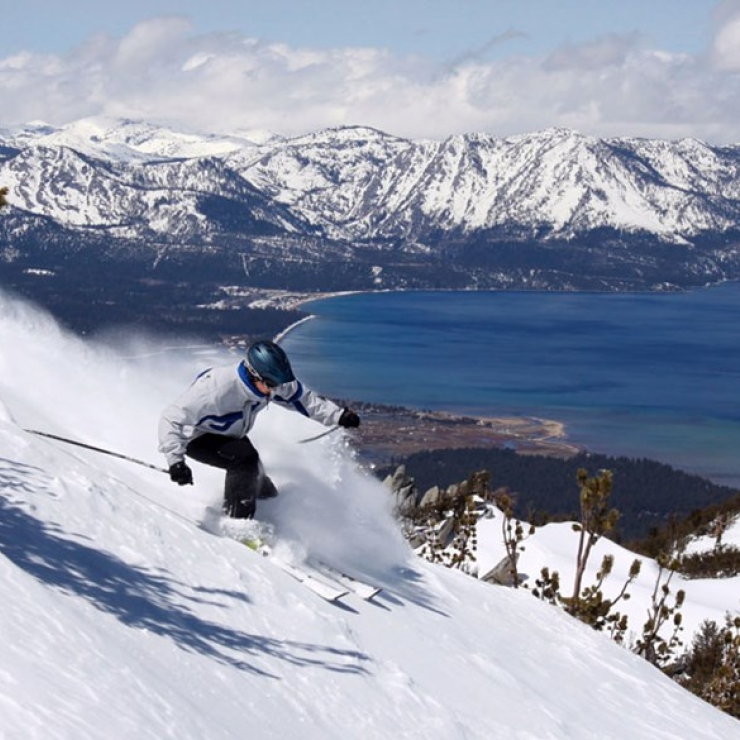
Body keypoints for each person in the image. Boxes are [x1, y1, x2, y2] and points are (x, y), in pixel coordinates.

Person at [158, 339, 360, 519]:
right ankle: (237, 523)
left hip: (228, 434)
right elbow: (171, 419)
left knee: (257, 477)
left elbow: (303, 399)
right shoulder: (215, 390)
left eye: (279, 383)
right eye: (272, 384)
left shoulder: (271, 383)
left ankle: (267, 506)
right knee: (244, 460)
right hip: (196, 437)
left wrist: (338, 415)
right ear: (253, 374)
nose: (276, 389)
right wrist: (176, 462)